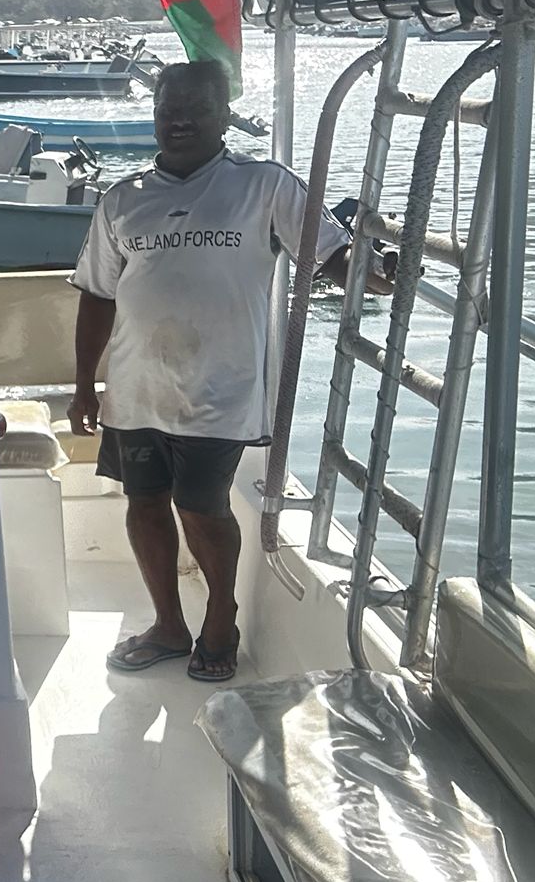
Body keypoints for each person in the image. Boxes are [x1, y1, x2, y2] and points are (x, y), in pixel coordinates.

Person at [68, 58, 353, 684]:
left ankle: (219, 617)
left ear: (225, 116)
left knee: (202, 507)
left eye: (197, 108)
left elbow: (332, 255)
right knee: (143, 503)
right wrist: (86, 385)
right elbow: (96, 295)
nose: (180, 120)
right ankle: (168, 624)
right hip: (136, 388)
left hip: (221, 391)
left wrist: (375, 271)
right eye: (168, 109)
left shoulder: (265, 186)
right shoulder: (123, 199)